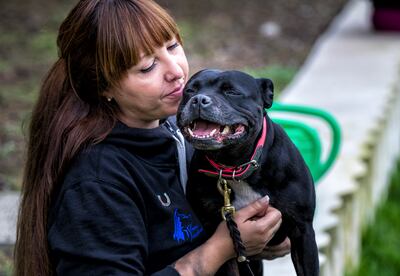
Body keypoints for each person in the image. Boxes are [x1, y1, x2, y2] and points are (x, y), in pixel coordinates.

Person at [14, 0, 290, 275]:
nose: (176, 72)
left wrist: (263, 235)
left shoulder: (184, 132)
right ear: (103, 85)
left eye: (172, 46)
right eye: (147, 66)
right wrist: (219, 249)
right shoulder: (97, 183)